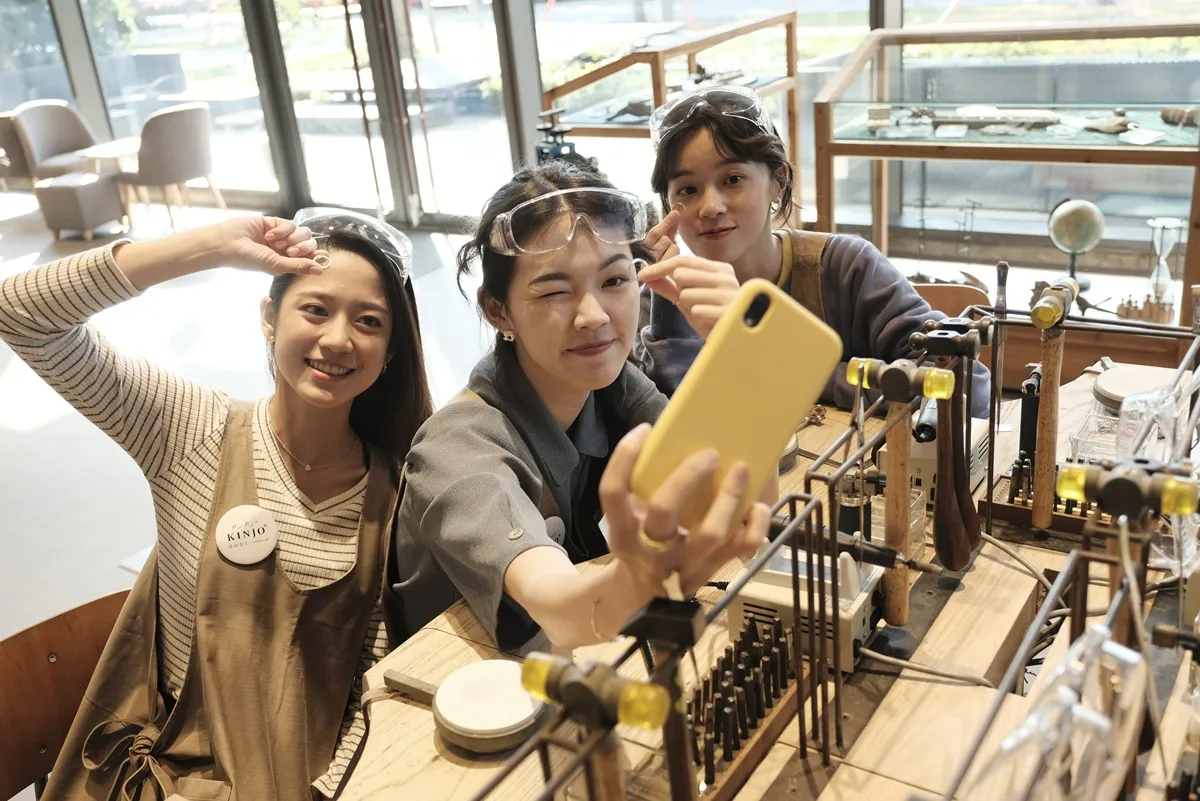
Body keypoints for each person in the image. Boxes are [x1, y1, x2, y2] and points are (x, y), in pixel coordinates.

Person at [1, 210, 433, 800]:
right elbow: (21, 314)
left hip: (301, 783)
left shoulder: (393, 489)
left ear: (390, 352)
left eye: (368, 321)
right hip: (169, 778)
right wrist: (211, 245)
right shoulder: (192, 430)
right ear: (269, 318)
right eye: (315, 309)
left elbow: (368, 683)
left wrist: (328, 791)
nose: (338, 339)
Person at [392, 162, 770, 652]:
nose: (593, 317)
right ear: (497, 310)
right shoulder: (456, 449)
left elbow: (743, 499)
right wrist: (639, 580)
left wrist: (740, 360)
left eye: (613, 281)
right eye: (554, 291)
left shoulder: (616, 389)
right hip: (456, 687)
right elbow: (556, 607)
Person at [634, 85, 991, 417]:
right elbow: (661, 419)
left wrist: (797, 373)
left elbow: (965, 388)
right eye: (688, 189)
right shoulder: (661, 299)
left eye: (733, 180)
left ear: (778, 181)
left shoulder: (846, 269)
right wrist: (672, 324)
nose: (710, 207)